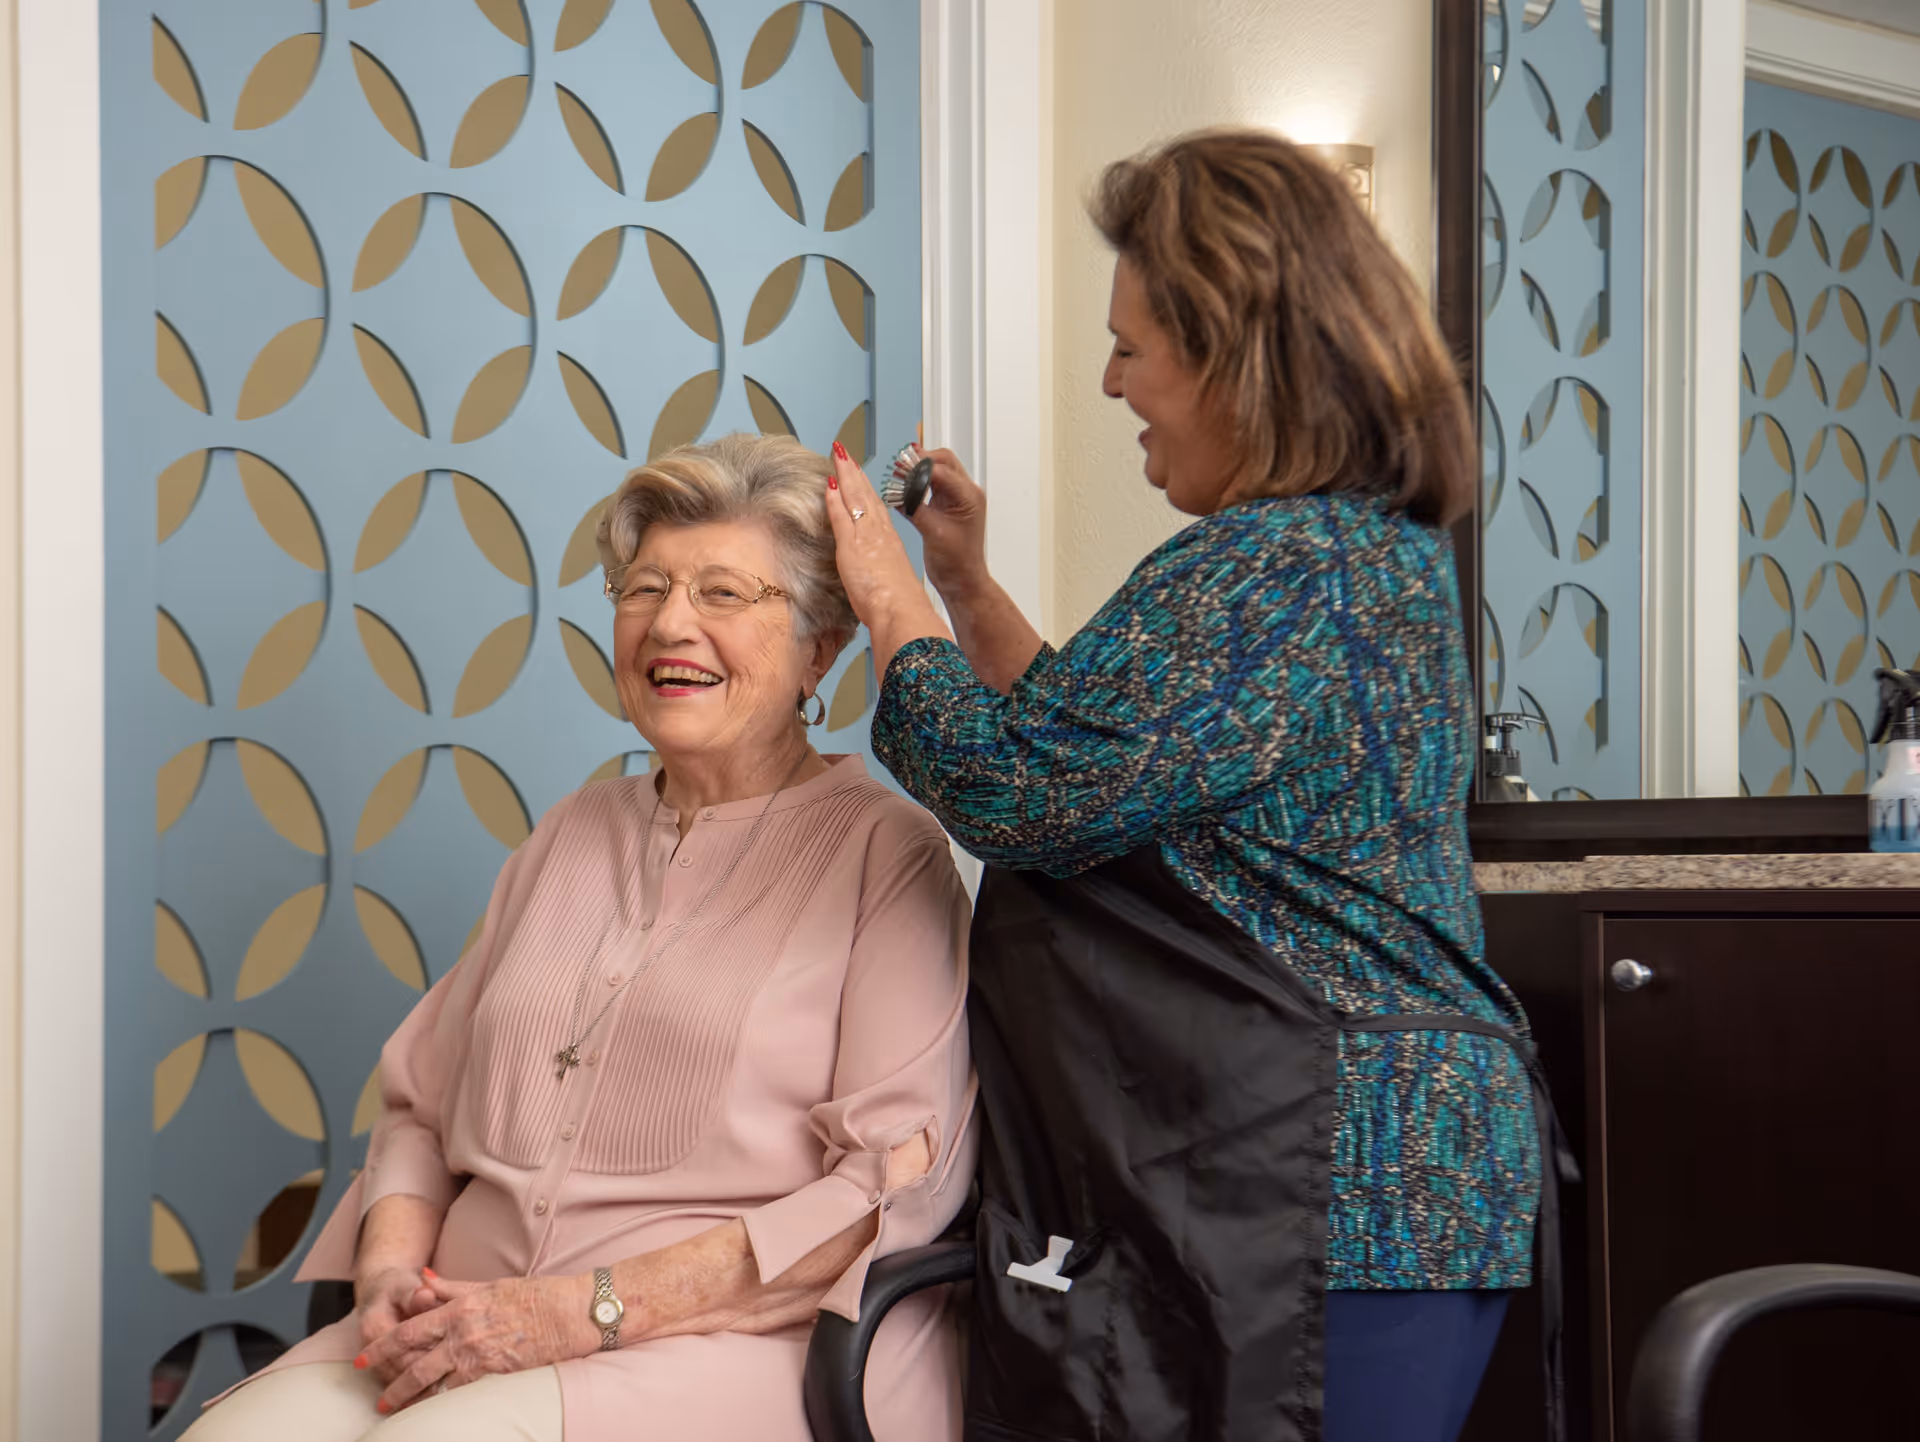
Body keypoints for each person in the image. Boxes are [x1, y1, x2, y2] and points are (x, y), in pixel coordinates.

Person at [824, 129, 1551, 1442]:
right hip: (1378, 1168)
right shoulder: (1348, 555)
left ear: (1231, 352)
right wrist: (965, 591)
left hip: (1355, 1175)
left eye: (1130, 345)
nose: (1113, 384)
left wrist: (886, 604)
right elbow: (1113, 757)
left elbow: (1020, 792)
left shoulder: (1281, 566)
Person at [186, 433, 977, 1442]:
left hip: (720, 1351)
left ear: (818, 646)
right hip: (462, 1314)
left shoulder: (885, 851)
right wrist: (386, 1276)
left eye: (724, 594)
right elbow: (421, 1111)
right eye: (644, 588)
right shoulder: (571, 831)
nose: (669, 624)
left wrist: (578, 1310)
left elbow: (887, 1186)